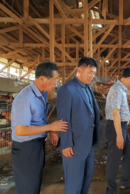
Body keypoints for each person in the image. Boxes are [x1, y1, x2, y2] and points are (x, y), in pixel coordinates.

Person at [11, 62, 68, 194]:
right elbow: (20, 130)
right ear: (42, 78)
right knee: (28, 188)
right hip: (26, 148)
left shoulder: (42, 94)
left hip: (36, 146)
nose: (56, 83)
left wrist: (50, 131)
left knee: (34, 184)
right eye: (54, 79)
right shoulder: (26, 98)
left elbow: (38, 118)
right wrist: (51, 126)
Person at [57, 57, 100, 194]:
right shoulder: (67, 89)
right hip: (74, 145)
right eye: (89, 72)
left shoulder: (88, 89)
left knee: (87, 178)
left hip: (88, 143)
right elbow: (63, 119)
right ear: (79, 70)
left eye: (94, 73)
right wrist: (66, 143)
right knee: (74, 184)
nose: (92, 76)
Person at [105, 67, 130, 194]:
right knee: (114, 159)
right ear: (129, 78)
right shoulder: (117, 90)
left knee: (129, 152)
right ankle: (111, 190)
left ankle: (124, 183)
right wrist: (119, 134)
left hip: (122, 127)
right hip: (116, 127)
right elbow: (115, 113)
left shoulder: (122, 90)